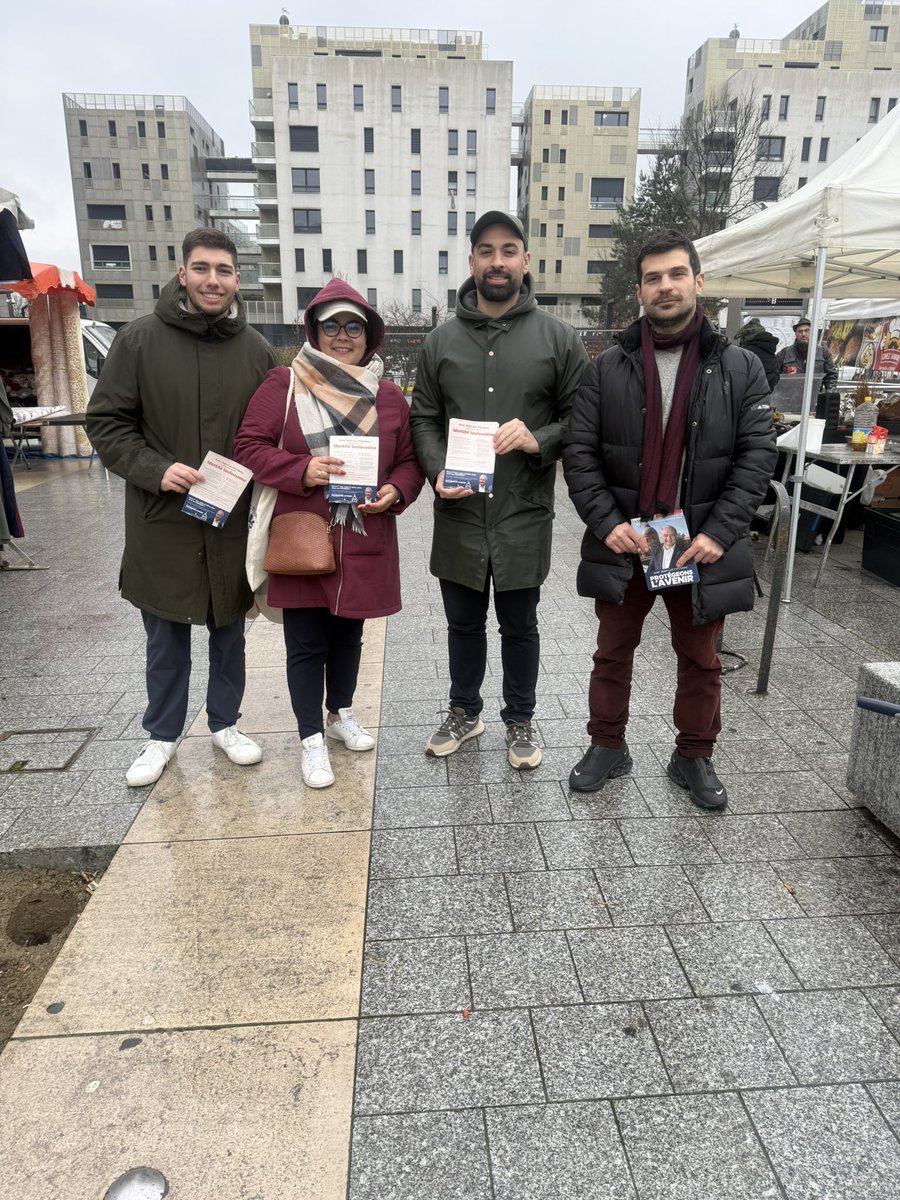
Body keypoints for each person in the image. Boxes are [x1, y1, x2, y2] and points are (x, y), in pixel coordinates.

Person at [562, 229, 776, 809]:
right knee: (612, 651)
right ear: (639, 290)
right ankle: (608, 745)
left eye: (676, 274)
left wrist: (718, 533)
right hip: (629, 540)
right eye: (653, 278)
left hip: (696, 543)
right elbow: (579, 454)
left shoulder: (740, 368)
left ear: (698, 281)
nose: (665, 286)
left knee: (700, 658)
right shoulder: (604, 368)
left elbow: (757, 457)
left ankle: (694, 756)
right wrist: (607, 524)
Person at [86, 229, 277, 788]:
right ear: (182, 274)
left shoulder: (257, 351)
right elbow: (107, 421)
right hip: (162, 517)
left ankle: (225, 723)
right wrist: (154, 469)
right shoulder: (140, 341)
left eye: (223, 270)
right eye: (201, 268)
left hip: (229, 517)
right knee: (165, 631)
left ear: (238, 280)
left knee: (229, 628)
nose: (212, 280)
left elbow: (271, 431)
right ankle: (162, 734)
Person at [411, 210, 588, 770]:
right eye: (486, 251)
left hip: (522, 510)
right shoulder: (440, 341)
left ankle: (520, 718)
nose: (497, 261)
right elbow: (423, 418)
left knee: (520, 624)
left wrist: (537, 439)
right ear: (471, 262)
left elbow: (581, 415)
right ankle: (465, 710)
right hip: (460, 512)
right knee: (462, 624)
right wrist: (437, 468)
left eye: (508, 250)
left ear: (525, 262)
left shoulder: (558, 339)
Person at [233, 280, 424, 789]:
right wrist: (303, 470)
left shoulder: (387, 396)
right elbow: (248, 446)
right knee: (305, 643)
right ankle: (310, 737)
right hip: (304, 535)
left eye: (353, 326)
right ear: (314, 330)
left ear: (369, 335)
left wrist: (394, 492)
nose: (342, 335)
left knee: (350, 635)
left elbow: (408, 463)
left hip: (365, 536)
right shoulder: (285, 384)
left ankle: (340, 714)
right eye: (332, 325)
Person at [776, 316, 837, 390]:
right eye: (800, 331)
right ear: (795, 334)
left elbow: (831, 376)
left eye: (807, 330)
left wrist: (829, 393)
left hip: (815, 398)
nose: (803, 334)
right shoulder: (784, 354)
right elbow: (774, 376)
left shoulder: (824, 352)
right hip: (790, 399)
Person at [733, 317, 780, 392]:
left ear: (746, 337)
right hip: (766, 397)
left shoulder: (745, 352)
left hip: (748, 398)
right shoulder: (770, 350)